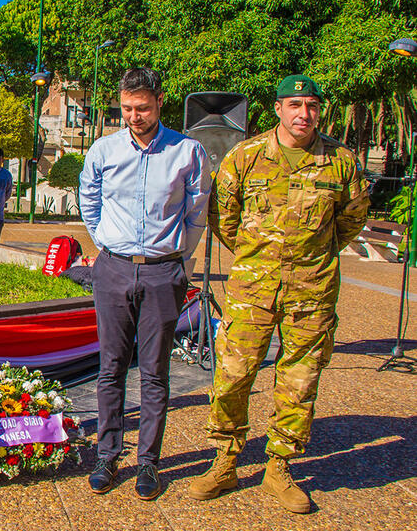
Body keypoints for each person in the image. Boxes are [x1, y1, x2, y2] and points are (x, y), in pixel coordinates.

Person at [189, 74, 369, 514]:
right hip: (254, 287)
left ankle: (278, 467)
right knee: (233, 374)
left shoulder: (341, 161)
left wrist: (310, 255)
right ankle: (225, 461)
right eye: (294, 104)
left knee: (300, 380)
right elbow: (223, 217)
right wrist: (260, 257)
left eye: (311, 105)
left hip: (313, 290)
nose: (303, 114)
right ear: (278, 109)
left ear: (318, 110)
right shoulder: (246, 156)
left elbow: (351, 220)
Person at [79, 67, 211, 499]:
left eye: (143, 108)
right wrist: (106, 243)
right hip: (113, 268)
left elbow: (196, 213)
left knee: (155, 371)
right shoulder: (103, 149)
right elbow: (89, 200)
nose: (134, 116)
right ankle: (107, 454)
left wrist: (176, 257)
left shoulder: (187, 151)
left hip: (163, 271)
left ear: (159, 103)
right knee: (111, 367)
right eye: (127, 108)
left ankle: (149, 464)